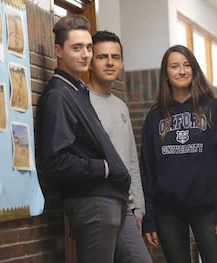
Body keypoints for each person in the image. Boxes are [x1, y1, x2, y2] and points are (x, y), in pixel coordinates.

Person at [37, 15, 130, 263]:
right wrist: (103, 167)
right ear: (58, 50)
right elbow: (55, 160)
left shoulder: (76, 90)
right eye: (76, 48)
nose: (85, 54)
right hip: (94, 203)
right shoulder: (59, 95)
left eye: (88, 47)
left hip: (110, 202)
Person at [140, 44, 217, 263]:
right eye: (175, 66)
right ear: (166, 74)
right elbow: (147, 170)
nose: (181, 71)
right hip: (168, 212)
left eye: (187, 65)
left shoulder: (213, 109)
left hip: (208, 209)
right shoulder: (155, 116)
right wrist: (150, 218)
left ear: (195, 70)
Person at [86, 30, 152, 263]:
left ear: (122, 63)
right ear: (90, 61)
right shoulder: (81, 102)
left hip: (126, 207)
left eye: (115, 57)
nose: (110, 62)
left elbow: (130, 160)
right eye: (102, 56)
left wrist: (139, 208)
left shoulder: (121, 106)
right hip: (99, 203)